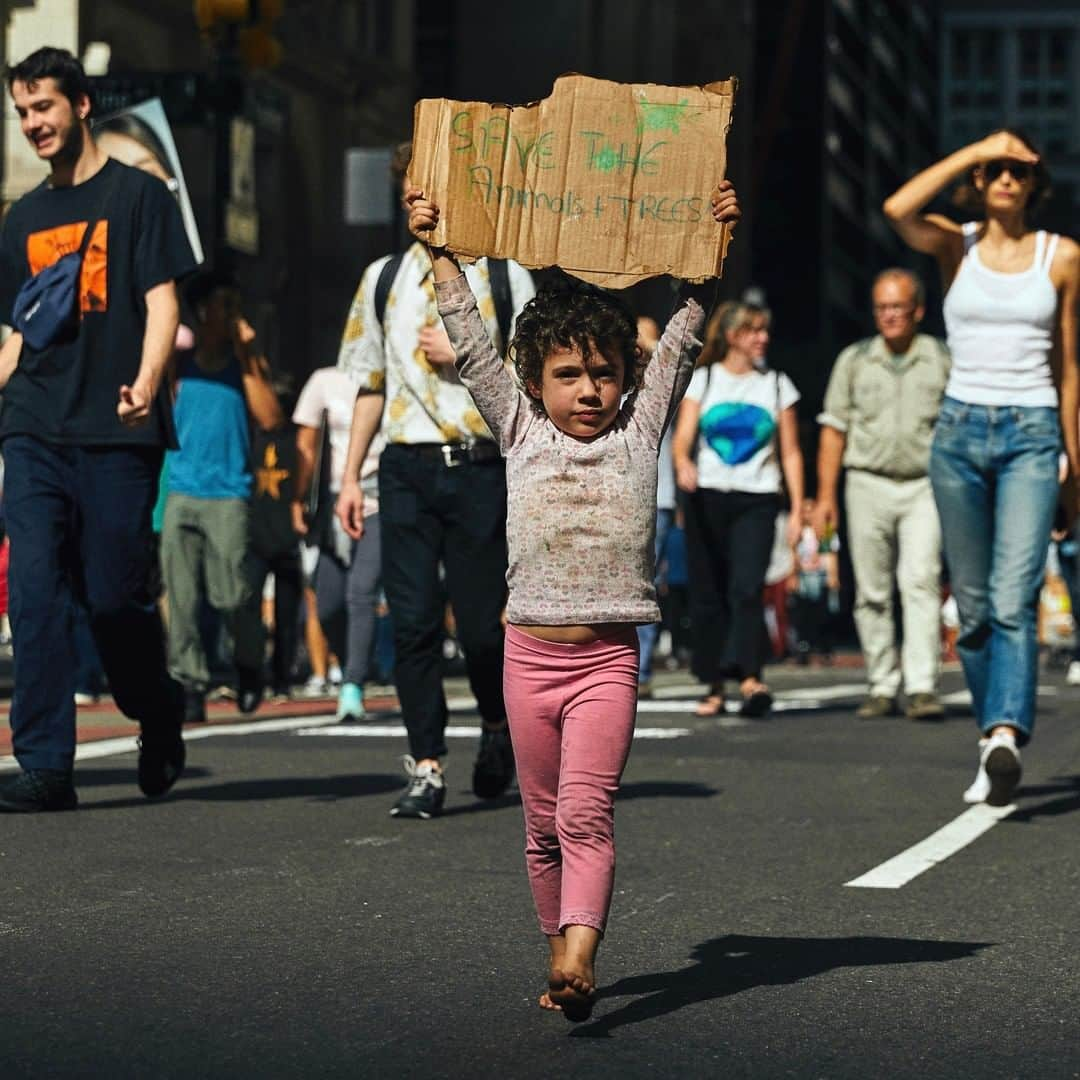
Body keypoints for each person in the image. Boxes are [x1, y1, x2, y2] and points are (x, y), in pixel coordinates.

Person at [406, 177, 740, 1020]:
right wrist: (440, 253)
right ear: (535, 380)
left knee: (588, 813)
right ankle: (560, 950)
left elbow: (682, 339)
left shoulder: (639, 431)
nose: (588, 391)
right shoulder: (516, 428)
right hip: (528, 659)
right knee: (542, 825)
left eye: (602, 374)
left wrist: (708, 253)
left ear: (626, 379)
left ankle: (582, 954)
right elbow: (473, 344)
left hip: (603, 665)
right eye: (568, 376)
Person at [0, 48, 196, 811]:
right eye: (20, 111)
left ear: (80, 105)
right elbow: (14, 336)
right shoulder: (20, 219)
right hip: (36, 426)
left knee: (116, 600)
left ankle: (157, 706)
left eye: (42, 106)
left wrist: (147, 384)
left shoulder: (139, 197)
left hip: (117, 428)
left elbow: (162, 302)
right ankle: (46, 764)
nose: (31, 124)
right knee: (36, 592)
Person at [335, 142, 535, 818]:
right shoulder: (382, 278)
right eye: (414, 188)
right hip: (405, 468)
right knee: (414, 623)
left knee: (482, 628)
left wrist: (469, 353)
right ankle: (425, 764)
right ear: (402, 197)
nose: (426, 200)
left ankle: (498, 726)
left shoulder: (505, 278)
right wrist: (347, 476)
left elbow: (536, 380)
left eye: (438, 188)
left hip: (481, 468)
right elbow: (367, 382)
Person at [884, 129, 1080, 805]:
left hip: (1031, 433)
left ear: (1033, 185)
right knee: (968, 612)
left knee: (1010, 597)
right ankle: (987, 737)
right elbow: (896, 210)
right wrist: (975, 149)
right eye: (994, 170)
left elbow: (1070, 366)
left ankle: (1003, 732)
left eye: (1017, 171)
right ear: (979, 180)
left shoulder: (1063, 256)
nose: (1004, 179)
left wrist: (1073, 467)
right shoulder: (954, 243)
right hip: (959, 435)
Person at [815, 269, 951, 719]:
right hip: (866, 482)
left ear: (918, 311)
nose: (890, 315)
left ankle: (921, 686)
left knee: (920, 581)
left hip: (924, 485)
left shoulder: (940, 359)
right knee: (871, 590)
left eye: (898, 307)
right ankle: (880, 682)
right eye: (882, 307)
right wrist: (826, 497)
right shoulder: (854, 360)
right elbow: (834, 430)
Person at [671, 300, 803, 717]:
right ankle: (713, 684)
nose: (762, 338)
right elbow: (683, 435)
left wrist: (798, 508)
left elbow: (792, 452)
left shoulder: (778, 384)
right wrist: (682, 463)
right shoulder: (705, 380)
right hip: (707, 495)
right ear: (732, 336)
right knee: (707, 594)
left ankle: (750, 676)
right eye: (753, 331)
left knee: (747, 588)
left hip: (758, 498)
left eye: (764, 331)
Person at [160, 271, 282, 723]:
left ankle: (249, 663)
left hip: (229, 495)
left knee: (233, 595)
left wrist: (248, 353)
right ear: (204, 311)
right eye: (223, 306)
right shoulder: (181, 361)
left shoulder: (244, 366)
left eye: (234, 307)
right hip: (181, 491)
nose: (230, 315)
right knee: (182, 599)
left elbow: (270, 419)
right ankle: (189, 684)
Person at [293, 365, 384, 721]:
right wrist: (298, 500)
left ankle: (352, 686)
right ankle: (356, 662)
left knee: (361, 591)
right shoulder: (323, 380)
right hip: (333, 504)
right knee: (327, 602)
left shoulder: (390, 376)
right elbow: (305, 443)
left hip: (381, 499)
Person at [248, 375, 303, 700]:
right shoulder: (253, 438)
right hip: (258, 538)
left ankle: (281, 676)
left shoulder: (297, 443)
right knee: (253, 611)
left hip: (284, 540)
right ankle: (258, 675)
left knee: (285, 616)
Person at [634, 315, 675, 698]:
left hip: (659, 500)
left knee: (644, 586)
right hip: (620, 495)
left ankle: (641, 671)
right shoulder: (614, 383)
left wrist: (649, 347)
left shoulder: (664, 388)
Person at [791, 498, 839, 664]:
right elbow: (793, 555)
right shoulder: (798, 532)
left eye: (811, 510)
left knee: (823, 614)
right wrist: (793, 576)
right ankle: (803, 648)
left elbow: (830, 554)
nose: (808, 515)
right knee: (803, 615)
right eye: (805, 511)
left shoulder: (824, 531)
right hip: (804, 578)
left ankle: (825, 648)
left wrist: (833, 575)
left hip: (821, 577)